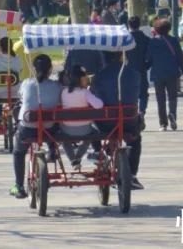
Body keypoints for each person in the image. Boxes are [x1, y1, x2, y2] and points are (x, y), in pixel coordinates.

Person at [90, 50, 145, 190]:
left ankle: (98, 152)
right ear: (122, 56)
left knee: (91, 125)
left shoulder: (98, 77)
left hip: (105, 124)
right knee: (136, 140)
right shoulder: (134, 74)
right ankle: (132, 175)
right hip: (128, 122)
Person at [9, 54, 61, 199]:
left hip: (28, 128)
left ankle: (18, 185)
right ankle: (52, 149)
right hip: (49, 129)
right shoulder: (57, 86)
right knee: (53, 124)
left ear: (33, 68)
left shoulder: (26, 83)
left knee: (18, 152)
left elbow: (21, 98)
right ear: (50, 69)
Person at [147, 19, 183, 132]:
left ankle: (163, 124)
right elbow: (180, 57)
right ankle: (172, 114)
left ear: (156, 29)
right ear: (169, 28)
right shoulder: (174, 41)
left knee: (160, 99)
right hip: (172, 73)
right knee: (172, 97)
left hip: (158, 74)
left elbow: (149, 58)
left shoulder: (152, 42)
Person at [60, 64, 103, 168]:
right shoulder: (85, 93)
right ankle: (78, 157)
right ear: (81, 79)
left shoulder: (64, 92)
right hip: (85, 130)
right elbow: (99, 105)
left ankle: (73, 159)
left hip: (67, 130)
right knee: (90, 135)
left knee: (64, 140)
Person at [127, 15, 151, 113]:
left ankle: (132, 112)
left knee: (130, 93)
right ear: (139, 25)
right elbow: (151, 56)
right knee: (143, 94)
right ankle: (141, 112)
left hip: (128, 70)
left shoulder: (125, 40)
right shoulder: (146, 39)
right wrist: (147, 65)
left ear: (129, 25)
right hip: (142, 69)